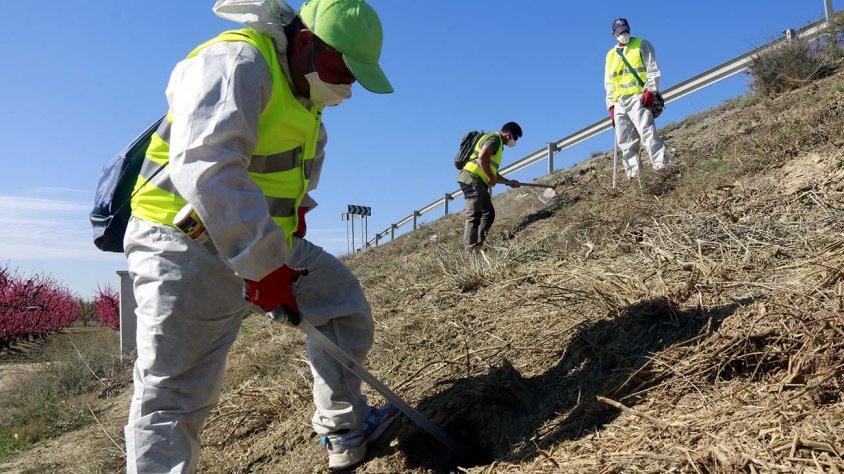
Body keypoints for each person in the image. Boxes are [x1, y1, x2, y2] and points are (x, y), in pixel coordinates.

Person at [122, 0, 397, 471]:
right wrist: (265, 268)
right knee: (174, 396)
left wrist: (293, 224)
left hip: (261, 241)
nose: (349, 86)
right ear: (306, 42)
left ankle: (344, 432)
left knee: (341, 305)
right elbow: (209, 170)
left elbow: (289, 180)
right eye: (343, 70)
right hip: (183, 243)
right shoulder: (236, 64)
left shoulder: (307, 100)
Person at [605, 18, 670, 179]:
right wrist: (611, 106)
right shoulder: (610, 55)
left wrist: (651, 91)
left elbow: (652, 69)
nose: (624, 34)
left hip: (638, 97)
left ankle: (662, 167)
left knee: (647, 133)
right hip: (620, 103)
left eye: (625, 31)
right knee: (626, 142)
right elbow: (609, 83)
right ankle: (634, 177)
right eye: (620, 32)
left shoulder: (642, 44)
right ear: (614, 34)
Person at [456, 122, 523, 252]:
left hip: (478, 181)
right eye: (515, 138)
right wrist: (490, 177)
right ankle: (470, 253)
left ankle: (478, 246)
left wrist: (508, 182)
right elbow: (482, 158)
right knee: (474, 215)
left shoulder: (497, 144)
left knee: (488, 213)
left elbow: (492, 170)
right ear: (509, 134)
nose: (514, 141)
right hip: (472, 178)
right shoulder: (495, 139)